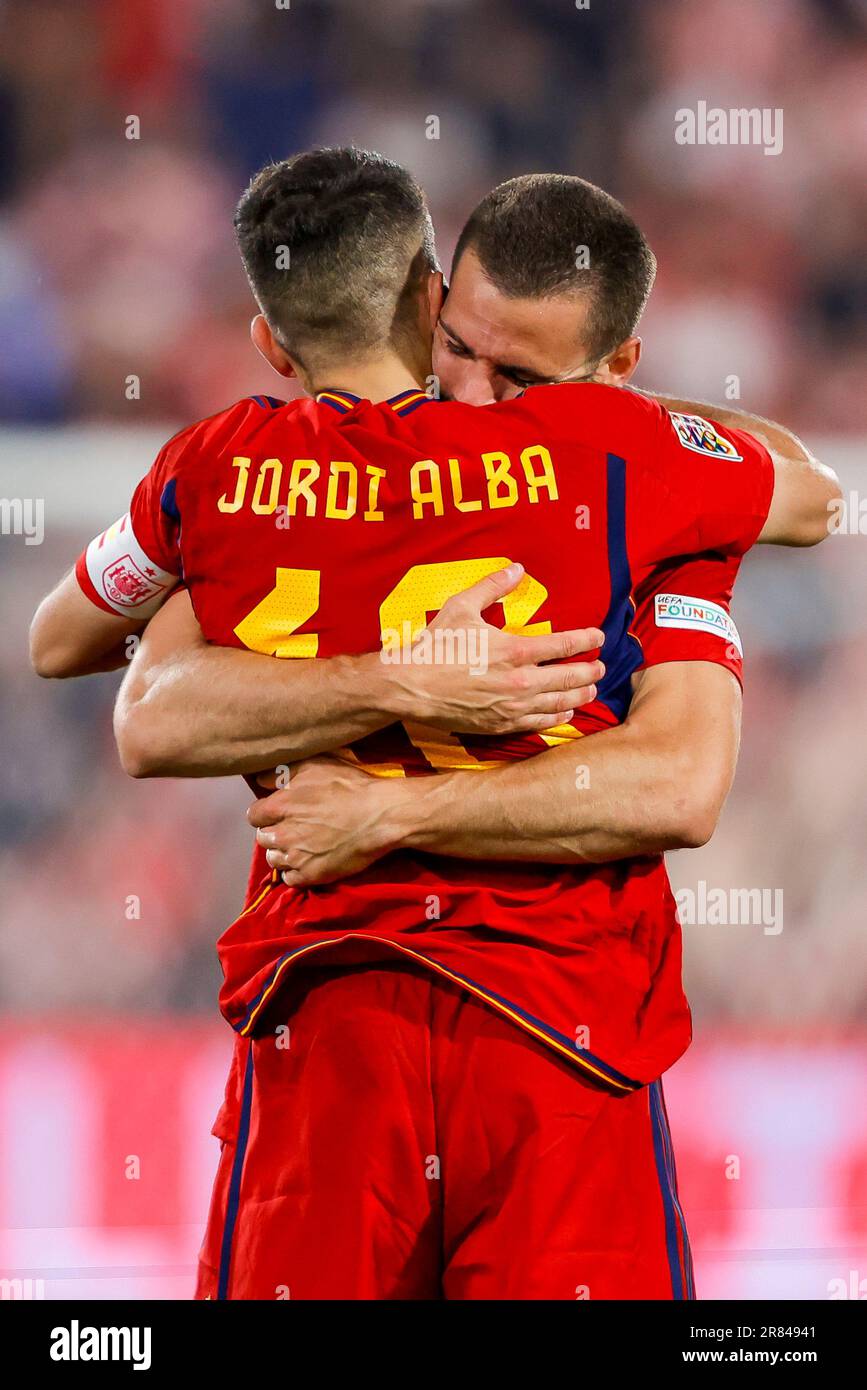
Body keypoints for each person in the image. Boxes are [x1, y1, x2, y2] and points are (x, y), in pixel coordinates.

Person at [30, 149, 838, 1300]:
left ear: (269, 339)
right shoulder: (615, 459)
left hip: (328, 1011)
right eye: (462, 346)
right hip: (556, 1018)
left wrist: (382, 795)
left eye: (521, 374)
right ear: (429, 296)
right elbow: (809, 489)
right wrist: (409, 677)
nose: (476, 389)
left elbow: (85, 661)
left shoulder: (222, 469)